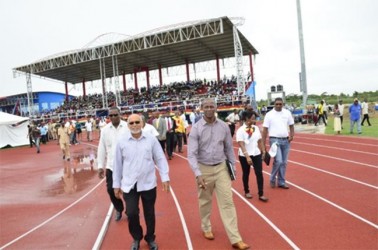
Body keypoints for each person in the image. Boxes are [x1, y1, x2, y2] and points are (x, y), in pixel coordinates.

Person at [187, 98, 250, 250]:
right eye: (206, 106)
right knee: (205, 201)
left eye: (212, 106)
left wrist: (233, 168)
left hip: (221, 168)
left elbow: (229, 148)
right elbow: (191, 154)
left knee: (228, 203)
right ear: (202, 108)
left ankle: (235, 238)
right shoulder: (196, 129)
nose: (209, 109)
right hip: (204, 169)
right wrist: (198, 174)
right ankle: (206, 227)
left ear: (216, 108)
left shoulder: (224, 127)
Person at [113, 114, 170, 250]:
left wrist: (165, 177)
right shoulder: (121, 141)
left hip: (148, 183)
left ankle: (150, 238)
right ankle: (136, 237)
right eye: (131, 123)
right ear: (127, 126)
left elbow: (160, 158)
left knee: (149, 213)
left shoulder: (151, 139)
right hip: (129, 184)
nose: (134, 125)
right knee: (131, 213)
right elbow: (117, 165)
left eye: (137, 122)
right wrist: (116, 185)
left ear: (142, 123)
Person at [97, 107, 129, 221]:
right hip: (111, 166)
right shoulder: (105, 130)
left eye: (116, 115)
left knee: (128, 190)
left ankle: (130, 210)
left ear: (120, 114)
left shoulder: (127, 126)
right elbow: (101, 148)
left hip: (126, 165)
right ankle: (119, 208)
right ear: (108, 117)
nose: (114, 117)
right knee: (110, 190)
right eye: (111, 115)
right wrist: (100, 166)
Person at [261, 97, 294, 189]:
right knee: (278, 161)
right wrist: (263, 144)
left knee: (284, 162)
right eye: (277, 104)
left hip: (286, 140)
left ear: (283, 104)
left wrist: (292, 135)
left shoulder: (287, 113)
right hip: (274, 140)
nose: (279, 105)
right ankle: (272, 179)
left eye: (280, 104)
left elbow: (291, 125)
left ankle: (281, 182)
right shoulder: (269, 115)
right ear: (274, 104)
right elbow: (264, 130)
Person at [236, 111, 268, 202]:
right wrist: (247, 157)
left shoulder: (256, 128)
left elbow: (259, 140)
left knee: (259, 173)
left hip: (256, 153)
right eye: (253, 118)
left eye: (255, 118)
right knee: (246, 173)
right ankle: (246, 191)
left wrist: (263, 151)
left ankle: (261, 194)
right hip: (244, 155)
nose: (255, 120)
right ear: (247, 118)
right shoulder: (240, 130)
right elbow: (241, 144)